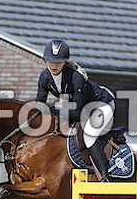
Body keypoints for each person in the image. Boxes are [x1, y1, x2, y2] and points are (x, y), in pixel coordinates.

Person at [35, 39, 116, 182]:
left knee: (89, 134)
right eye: (50, 62)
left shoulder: (76, 77)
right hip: (80, 107)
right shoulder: (44, 77)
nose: (53, 66)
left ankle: (105, 177)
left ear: (65, 62)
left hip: (102, 105)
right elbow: (39, 104)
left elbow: (78, 114)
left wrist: (52, 110)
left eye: (58, 62)